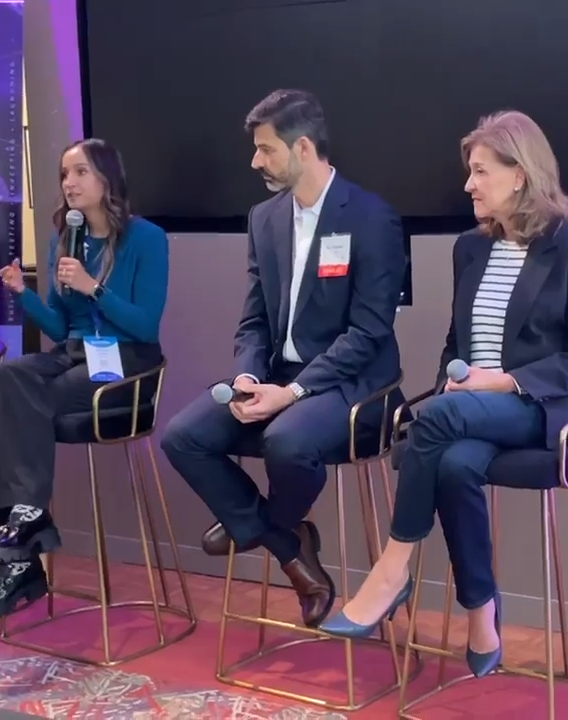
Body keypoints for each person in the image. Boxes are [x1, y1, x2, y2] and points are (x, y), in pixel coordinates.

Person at [320, 111, 568, 678]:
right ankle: (482, 611)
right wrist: (456, 376)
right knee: (452, 465)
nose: (468, 185)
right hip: (470, 412)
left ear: (520, 174)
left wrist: (500, 382)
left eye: (480, 171)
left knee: (438, 420)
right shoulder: (469, 249)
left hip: (542, 411)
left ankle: (393, 568)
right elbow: (459, 340)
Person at [160, 89, 405, 629]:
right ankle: (287, 542)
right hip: (276, 375)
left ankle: (265, 526)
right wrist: (250, 374)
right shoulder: (264, 218)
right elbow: (254, 320)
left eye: (266, 150)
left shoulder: (371, 218)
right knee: (183, 435)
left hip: (353, 383)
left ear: (301, 148)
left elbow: (368, 333)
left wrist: (291, 393)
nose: (255, 162)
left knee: (286, 441)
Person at [0, 139, 169, 620]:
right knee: (11, 374)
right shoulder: (63, 239)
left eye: (78, 173)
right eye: (63, 175)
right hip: (74, 353)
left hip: (127, 359)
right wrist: (25, 294)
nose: (69, 184)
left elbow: (146, 324)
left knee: (26, 401)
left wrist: (94, 288)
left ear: (105, 179)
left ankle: (17, 558)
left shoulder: (146, 238)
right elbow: (59, 326)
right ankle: (26, 523)